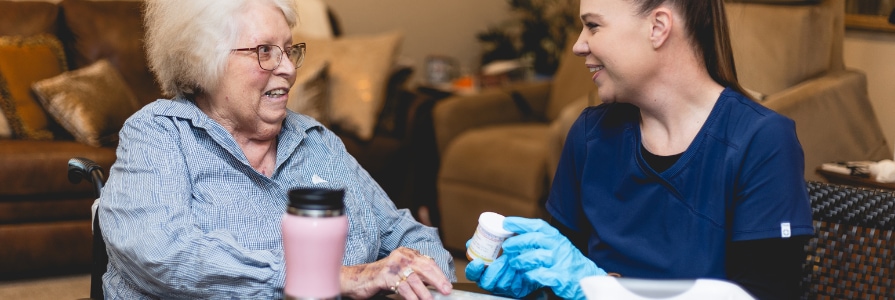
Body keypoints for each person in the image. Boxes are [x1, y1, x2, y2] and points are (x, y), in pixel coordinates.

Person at [97, 0, 455, 298]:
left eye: (289, 49)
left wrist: (428, 278)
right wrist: (329, 277)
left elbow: (404, 233)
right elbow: (159, 253)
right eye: (265, 51)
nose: (287, 69)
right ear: (204, 60)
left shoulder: (318, 141)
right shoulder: (158, 135)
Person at [465, 0, 814, 299]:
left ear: (658, 27)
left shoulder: (761, 141)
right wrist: (537, 285)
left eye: (593, 26)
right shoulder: (590, 134)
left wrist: (600, 287)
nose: (578, 45)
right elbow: (565, 275)